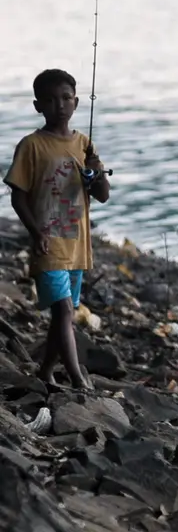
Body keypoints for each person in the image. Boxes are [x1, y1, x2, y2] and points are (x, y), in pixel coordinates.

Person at [4, 69, 111, 389]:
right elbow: (18, 198)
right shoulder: (32, 146)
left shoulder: (84, 144)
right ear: (38, 106)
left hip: (76, 244)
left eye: (66, 98)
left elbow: (103, 196)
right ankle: (78, 377)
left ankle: (45, 371)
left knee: (64, 313)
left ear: (77, 102)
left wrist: (96, 174)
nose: (59, 105)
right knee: (64, 309)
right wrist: (36, 233)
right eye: (50, 100)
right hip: (47, 244)